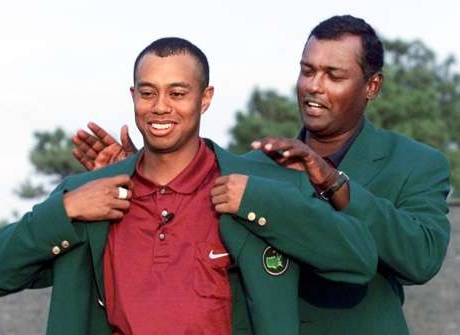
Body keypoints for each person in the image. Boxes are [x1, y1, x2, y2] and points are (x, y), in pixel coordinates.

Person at [72, 16, 451, 334]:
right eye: (307, 71)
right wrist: (141, 174)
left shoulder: (416, 163)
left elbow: (421, 258)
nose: (314, 86)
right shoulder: (253, 166)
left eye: (334, 75)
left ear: (372, 86)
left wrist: (333, 182)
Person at [0, 37, 377, 335]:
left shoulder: (261, 189)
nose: (160, 107)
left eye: (178, 93)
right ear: (133, 96)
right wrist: (63, 210)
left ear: (205, 99)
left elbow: (358, 260)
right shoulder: (91, 196)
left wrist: (261, 202)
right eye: (148, 92)